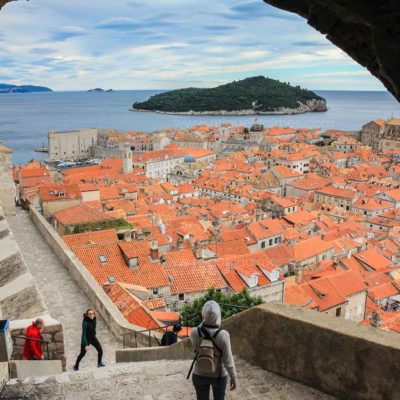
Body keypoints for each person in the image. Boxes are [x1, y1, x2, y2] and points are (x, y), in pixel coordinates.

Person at [190, 301, 237, 400]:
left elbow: (195, 347)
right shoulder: (223, 335)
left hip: (199, 373)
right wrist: (233, 377)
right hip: (218, 375)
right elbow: (228, 360)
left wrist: (205, 320)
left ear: (203, 314)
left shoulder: (194, 332)